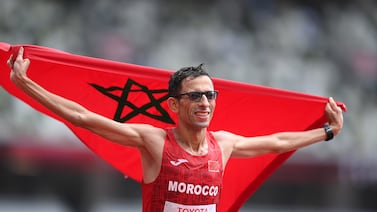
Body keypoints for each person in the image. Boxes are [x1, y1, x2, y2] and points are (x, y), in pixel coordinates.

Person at [7, 47, 343, 212]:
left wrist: (326, 132)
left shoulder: (223, 145)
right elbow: (82, 116)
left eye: (210, 95)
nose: (205, 103)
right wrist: (26, 84)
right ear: (173, 105)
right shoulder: (153, 140)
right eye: (195, 95)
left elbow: (279, 141)